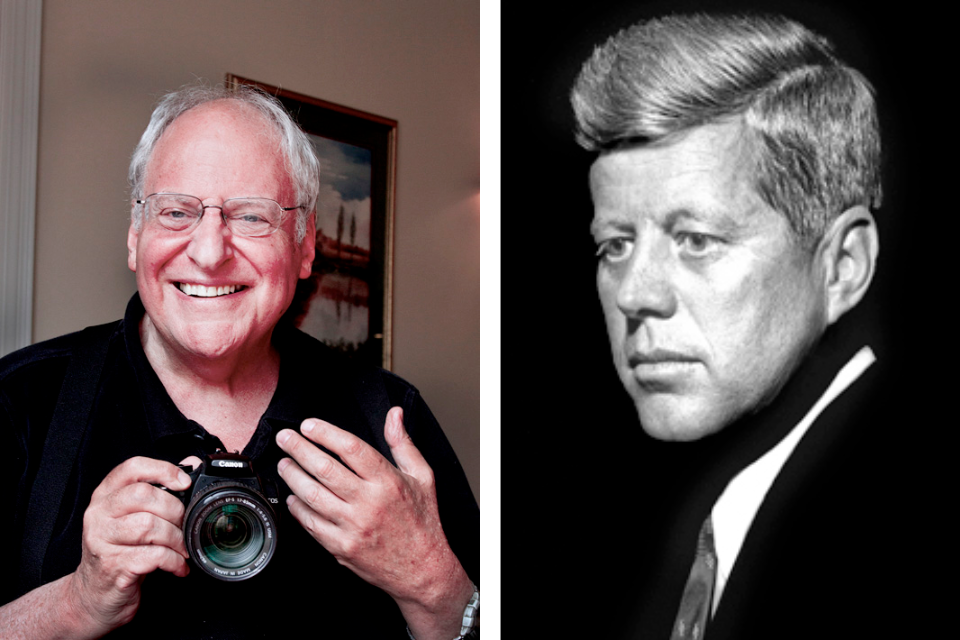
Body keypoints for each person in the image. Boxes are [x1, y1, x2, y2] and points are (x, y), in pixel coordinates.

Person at [1, 84, 479, 639]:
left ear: (305, 247)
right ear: (136, 235)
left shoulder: (391, 420)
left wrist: (432, 583)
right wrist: (76, 602)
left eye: (252, 217)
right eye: (176, 212)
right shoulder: (21, 402)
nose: (209, 252)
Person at [558, 12, 936, 639]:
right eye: (615, 246)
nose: (634, 294)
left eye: (697, 240)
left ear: (843, 265)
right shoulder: (717, 507)